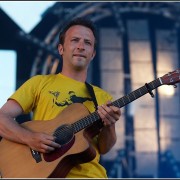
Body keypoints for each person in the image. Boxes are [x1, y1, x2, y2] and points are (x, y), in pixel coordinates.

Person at [0, 17, 121, 178]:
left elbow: (104, 148)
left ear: (93, 54)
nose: (80, 46)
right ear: (61, 49)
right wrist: (29, 138)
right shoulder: (39, 83)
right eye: (75, 40)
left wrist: (109, 126)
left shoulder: (103, 97)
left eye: (87, 43)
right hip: (45, 173)